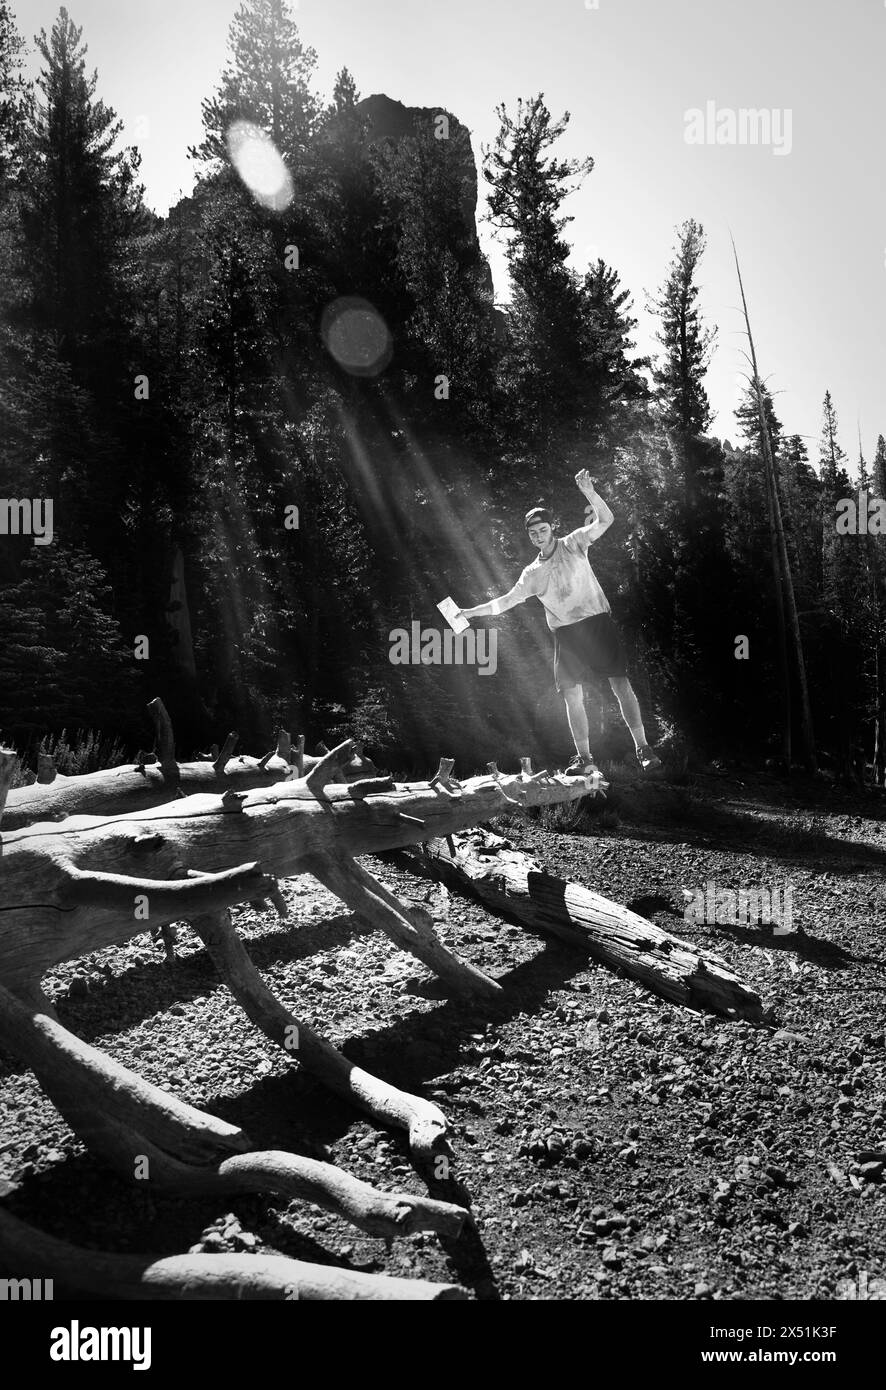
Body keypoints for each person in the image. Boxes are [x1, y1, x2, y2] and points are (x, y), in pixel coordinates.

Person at [458, 469, 661, 775]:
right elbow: (505, 601)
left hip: (597, 623)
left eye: (542, 529)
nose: (538, 536)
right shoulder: (531, 573)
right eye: (533, 533)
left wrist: (590, 492)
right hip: (566, 634)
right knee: (571, 694)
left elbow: (605, 521)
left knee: (620, 684)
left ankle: (643, 748)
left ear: (551, 528)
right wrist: (470, 613)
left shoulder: (574, 543)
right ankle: (584, 759)